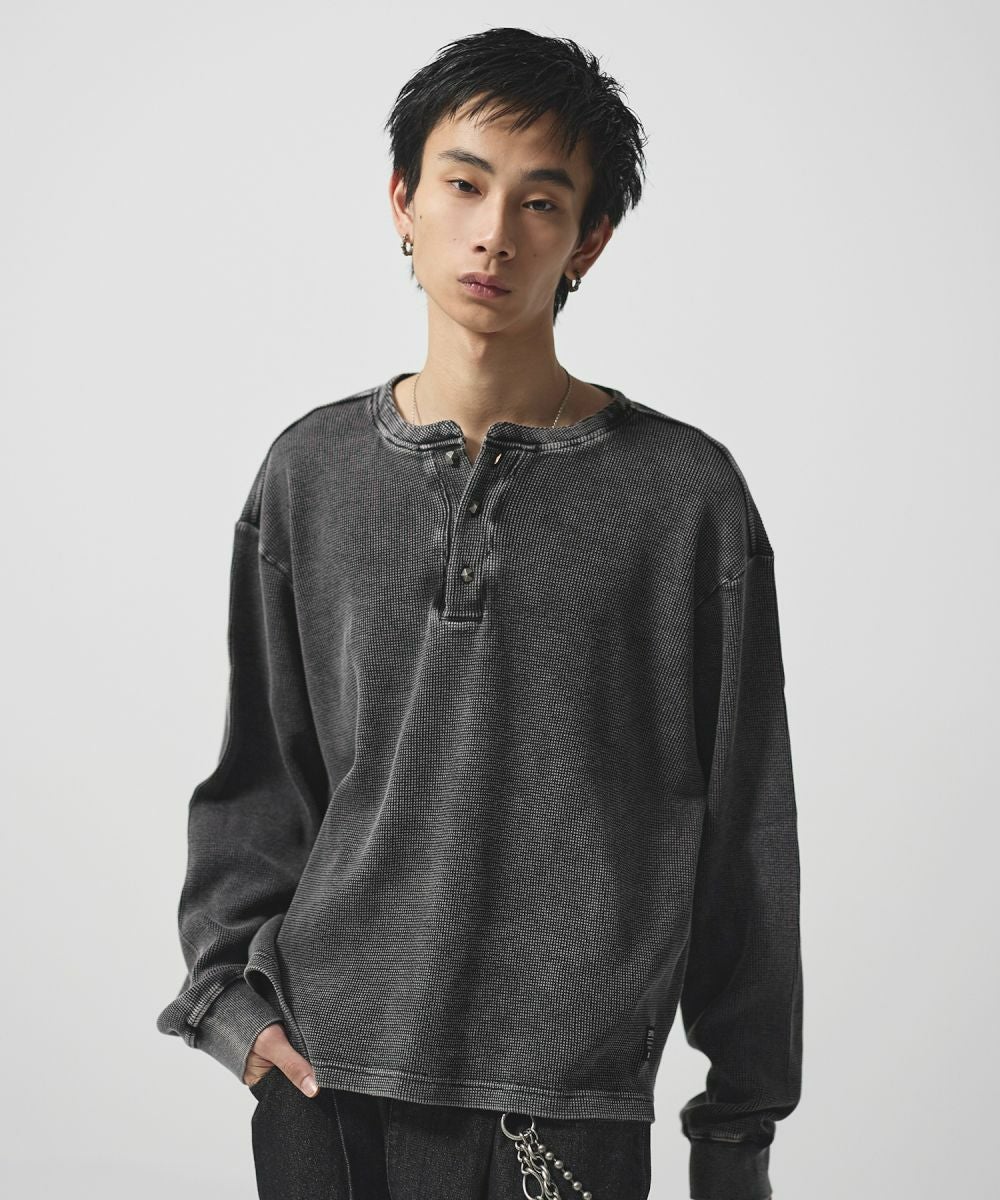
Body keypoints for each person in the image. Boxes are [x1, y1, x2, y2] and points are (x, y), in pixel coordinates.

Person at [156, 25, 803, 1200]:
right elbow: (261, 777)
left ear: (587, 240)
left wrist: (736, 1134)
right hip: (322, 1086)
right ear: (402, 202)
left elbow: (744, 828)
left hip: (561, 1106)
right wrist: (228, 1009)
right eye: (462, 184)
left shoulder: (684, 499)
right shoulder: (308, 475)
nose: (494, 231)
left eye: (540, 203)